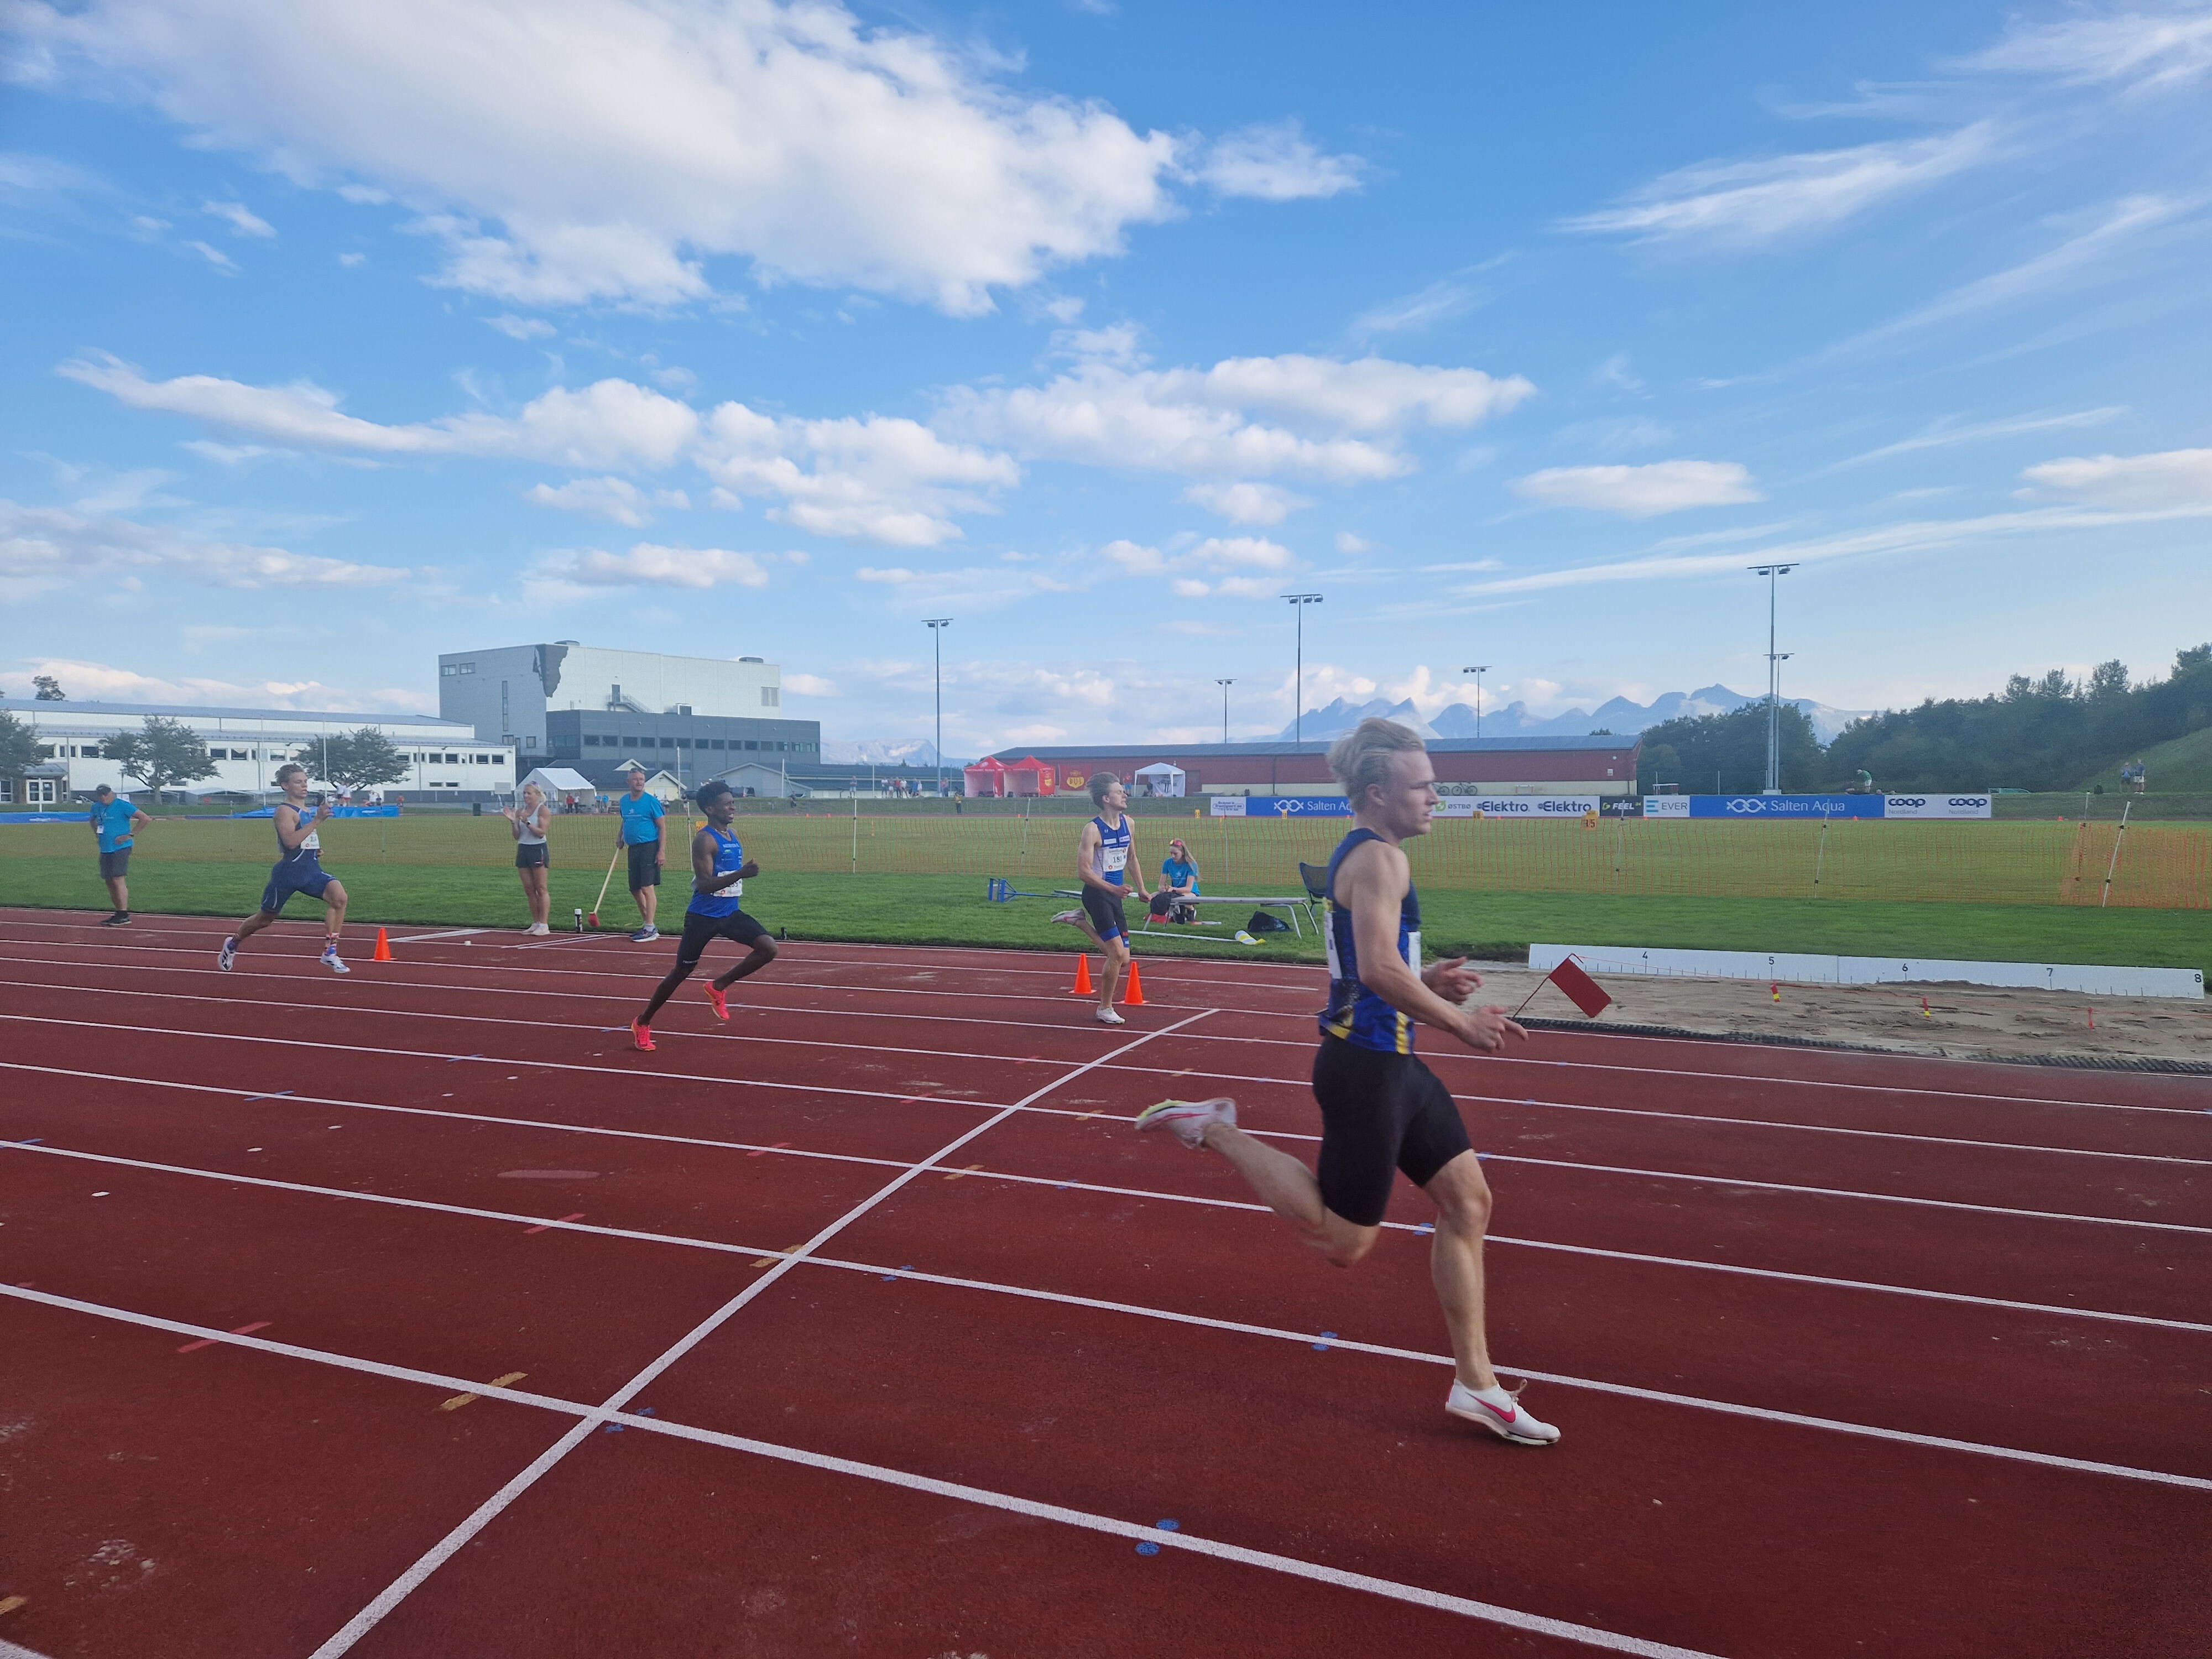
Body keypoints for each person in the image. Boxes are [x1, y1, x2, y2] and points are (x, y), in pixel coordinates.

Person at [1134, 718, 1557, 1446]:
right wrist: (1462, 1024)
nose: (1435, 797)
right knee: (1343, 1242)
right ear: (1378, 792)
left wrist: (1427, 981)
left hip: (1395, 1062)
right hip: (1367, 1072)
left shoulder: (1368, 854)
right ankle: (1213, 1128)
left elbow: (1369, 968)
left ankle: (1476, 1386)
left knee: (1468, 1203)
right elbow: (1378, 970)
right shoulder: (1380, 860)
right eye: (1423, 786)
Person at [630, 781, 778, 1052]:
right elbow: (706, 885)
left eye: (733, 803)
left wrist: (739, 876)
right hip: (703, 917)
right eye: (727, 804)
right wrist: (742, 874)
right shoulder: (705, 840)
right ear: (710, 809)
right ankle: (643, 1022)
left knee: (768, 948)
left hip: (730, 913)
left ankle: (718, 986)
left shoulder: (732, 835)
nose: (733, 807)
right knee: (682, 971)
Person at [218, 763, 351, 974]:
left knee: (340, 898)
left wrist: (314, 849)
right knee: (265, 919)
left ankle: (330, 952)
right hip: (288, 875)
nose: (304, 786)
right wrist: (317, 821)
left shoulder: (306, 810)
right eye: (298, 782)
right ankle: (233, 943)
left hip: (311, 871)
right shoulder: (284, 811)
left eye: (305, 782)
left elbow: (303, 839)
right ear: (285, 786)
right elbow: (290, 842)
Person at [1052, 771, 1151, 1025]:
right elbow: (1083, 872)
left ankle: (1079, 922)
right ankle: (1105, 1008)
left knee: (1124, 959)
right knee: (1116, 953)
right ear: (1106, 799)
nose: (1125, 794)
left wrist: (1142, 889)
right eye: (1119, 791)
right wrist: (1112, 889)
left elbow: (1131, 859)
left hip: (1115, 896)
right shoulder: (1093, 830)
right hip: (1097, 895)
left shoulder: (1129, 824)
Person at [613, 766, 667, 942]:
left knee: (646, 887)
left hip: (649, 847)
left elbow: (662, 827)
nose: (639, 782)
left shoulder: (651, 802)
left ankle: (649, 927)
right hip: (633, 848)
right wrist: (620, 836)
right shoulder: (624, 801)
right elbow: (625, 821)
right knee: (635, 889)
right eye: (636, 779)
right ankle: (649, 924)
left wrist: (661, 851)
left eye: (642, 779)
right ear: (628, 782)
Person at [87, 784, 150, 926]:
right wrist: (97, 834)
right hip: (105, 848)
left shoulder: (122, 805)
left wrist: (130, 835)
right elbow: (93, 820)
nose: (103, 797)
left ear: (111, 793)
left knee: (117, 879)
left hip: (120, 848)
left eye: (106, 794)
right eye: (101, 795)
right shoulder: (96, 807)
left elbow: (145, 818)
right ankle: (118, 912)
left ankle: (123, 913)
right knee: (109, 880)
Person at [503, 781, 553, 935]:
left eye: (529, 793)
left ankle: (544, 924)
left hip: (537, 849)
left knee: (541, 887)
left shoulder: (543, 810)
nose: (526, 796)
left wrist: (527, 822)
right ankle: (536, 922)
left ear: (537, 795)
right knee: (529, 889)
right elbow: (517, 836)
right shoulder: (521, 811)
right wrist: (514, 822)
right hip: (523, 849)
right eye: (524, 793)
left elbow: (541, 833)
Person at [1151, 836, 1201, 925]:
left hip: (1190, 893)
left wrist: (1173, 889)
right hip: (1174, 892)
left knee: (1177, 899)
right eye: (1171, 853)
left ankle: (1191, 909)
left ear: (1183, 852)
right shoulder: (1167, 863)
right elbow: (1161, 885)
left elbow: (1188, 889)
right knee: (1152, 896)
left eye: (1175, 854)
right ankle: (1165, 914)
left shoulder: (1191, 865)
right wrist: (1163, 889)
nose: (1173, 856)